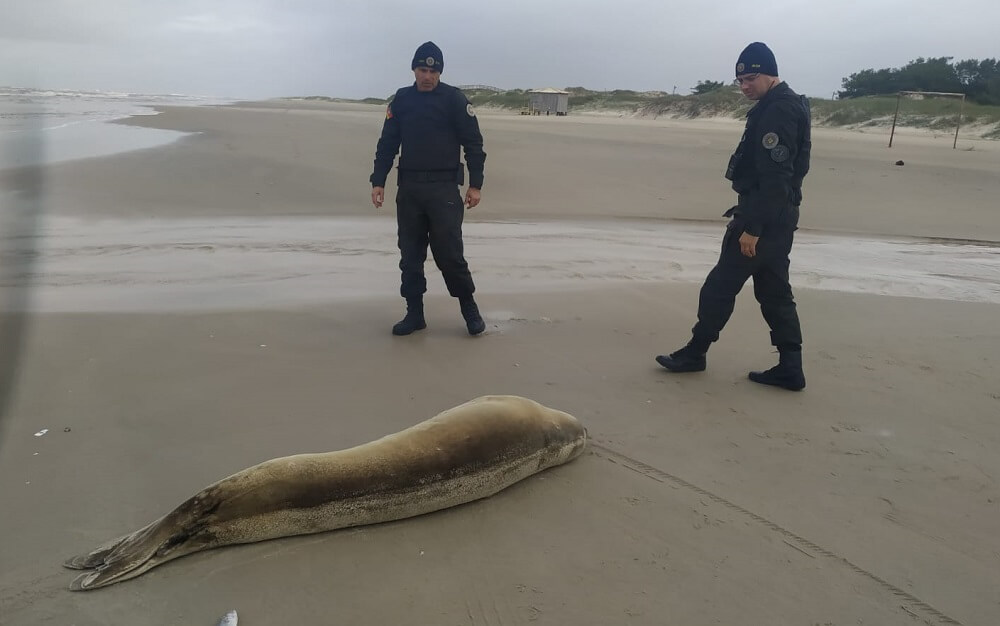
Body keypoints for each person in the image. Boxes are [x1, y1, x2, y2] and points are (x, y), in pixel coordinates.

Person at [655, 42, 811, 391]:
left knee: (719, 287)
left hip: (763, 216)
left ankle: (696, 353)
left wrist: (753, 228)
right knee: (774, 292)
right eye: (739, 80)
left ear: (770, 74)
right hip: (779, 216)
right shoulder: (784, 103)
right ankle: (791, 366)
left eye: (751, 78)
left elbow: (776, 177)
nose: (744, 86)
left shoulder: (778, 110)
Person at [370, 41, 487, 336]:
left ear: (440, 73)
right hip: (409, 188)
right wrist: (378, 180)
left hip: (444, 189)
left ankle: (469, 308)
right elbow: (387, 144)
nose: (428, 76)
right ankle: (414, 313)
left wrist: (476, 184)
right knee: (410, 254)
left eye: (433, 72)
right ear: (414, 70)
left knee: (449, 253)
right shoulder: (401, 101)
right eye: (423, 70)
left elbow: (474, 144)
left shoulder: (454, 100)